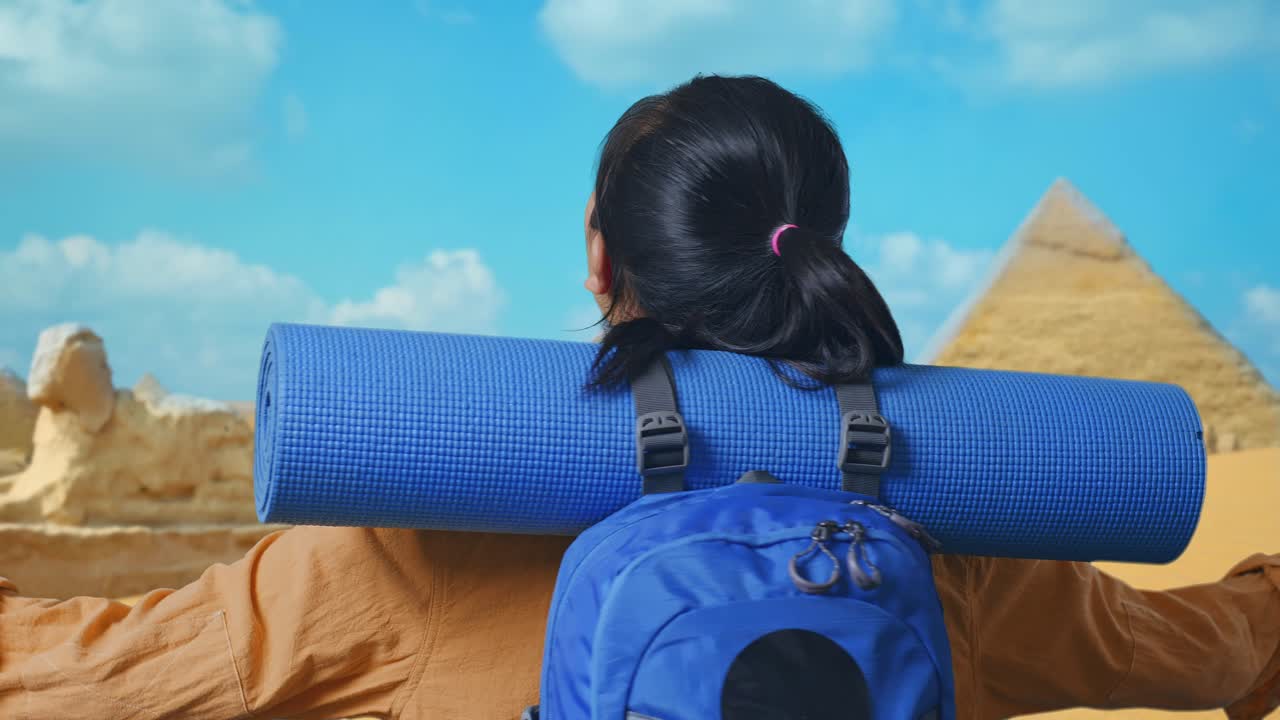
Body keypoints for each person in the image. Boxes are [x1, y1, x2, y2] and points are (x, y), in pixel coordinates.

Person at [1, 75, 1277, 720]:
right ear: (816, 251)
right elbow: (1207, 648)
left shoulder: (407, 551)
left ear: (598, 255)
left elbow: (85, 680)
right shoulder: (957, 547)